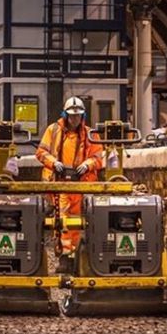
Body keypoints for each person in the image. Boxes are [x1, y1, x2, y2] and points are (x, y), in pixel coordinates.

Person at [35, 96, 104, 268]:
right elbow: (41, 152)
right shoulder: (53, 130)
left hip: (81, 184)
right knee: (63, 220)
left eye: (78, 116)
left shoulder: (90, 134)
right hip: (61, 183)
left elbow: (98, 157)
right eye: (72, 116)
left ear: (83, 116)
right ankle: (65, 256)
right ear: (65, 115)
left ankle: (80, 255)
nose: (75, 119)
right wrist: (54, 162)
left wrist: (87, 165)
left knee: (81, 220)